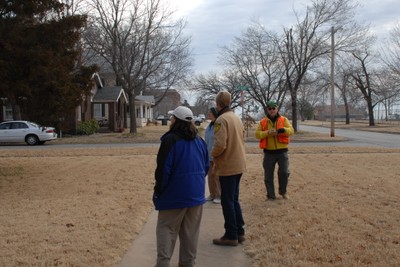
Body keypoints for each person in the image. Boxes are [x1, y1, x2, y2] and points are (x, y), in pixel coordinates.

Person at [153, 106, 209, 267]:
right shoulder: (200, 141)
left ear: (176, 120)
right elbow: (205, 166)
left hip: (173, 196)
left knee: (166, 229)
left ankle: (163, 263)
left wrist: (159, 191)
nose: (170, 120)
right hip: (196, 195)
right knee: (190, 234)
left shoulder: (170, 140)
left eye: (172, 118)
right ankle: (188, 263)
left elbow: (163, 170)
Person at [211, 91, 247, 247]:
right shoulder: (236, 117)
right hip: (239, 164)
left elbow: (220, 145)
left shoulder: (221, 120)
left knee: (227, 201)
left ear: (218, 104)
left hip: (228, 166)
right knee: (234, 199)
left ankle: (231, 235)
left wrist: (211, 157)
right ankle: (240, 232)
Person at [255, 100, 294, 201]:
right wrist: (268, 132)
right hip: (269, 153)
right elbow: (257, 134)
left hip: (282, 152)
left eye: (274, 108)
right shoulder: (263, 121)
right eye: (270, 108)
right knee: (268, 175)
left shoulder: (284, 119)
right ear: (267, 109)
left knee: (284, 172)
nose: (272, 110)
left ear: (277, 109)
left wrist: (282, 130)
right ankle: (271, 196)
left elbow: (291, 131)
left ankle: (283, 192)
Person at [204, 107, 221, 204]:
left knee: (216, 176)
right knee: (210, 176)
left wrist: (215, 154)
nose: (208, 114)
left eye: (210, 113)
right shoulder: (209, 126)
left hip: (216, 155)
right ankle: (212, 194)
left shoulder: (218, 125)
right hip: (208, 155)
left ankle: (219, 195)